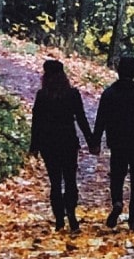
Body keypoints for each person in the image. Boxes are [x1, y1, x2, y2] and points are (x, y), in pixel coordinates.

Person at [89, 54, 134, 232]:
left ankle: (117, 202)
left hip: (117, 143)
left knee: (117, 177)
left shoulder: (109, 94)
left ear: (118, 71)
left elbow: (100, 119)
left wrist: (95, 141)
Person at [30, 59, 95, 232]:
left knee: (55, 181)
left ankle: (59, 219)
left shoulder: (42, 95)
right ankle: (72, 214)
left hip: (48, 143)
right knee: (70, 179)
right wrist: (90, 141)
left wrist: (34, 146)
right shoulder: (72, 94)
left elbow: (36, 122)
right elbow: (81, 118)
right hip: (67, 140)